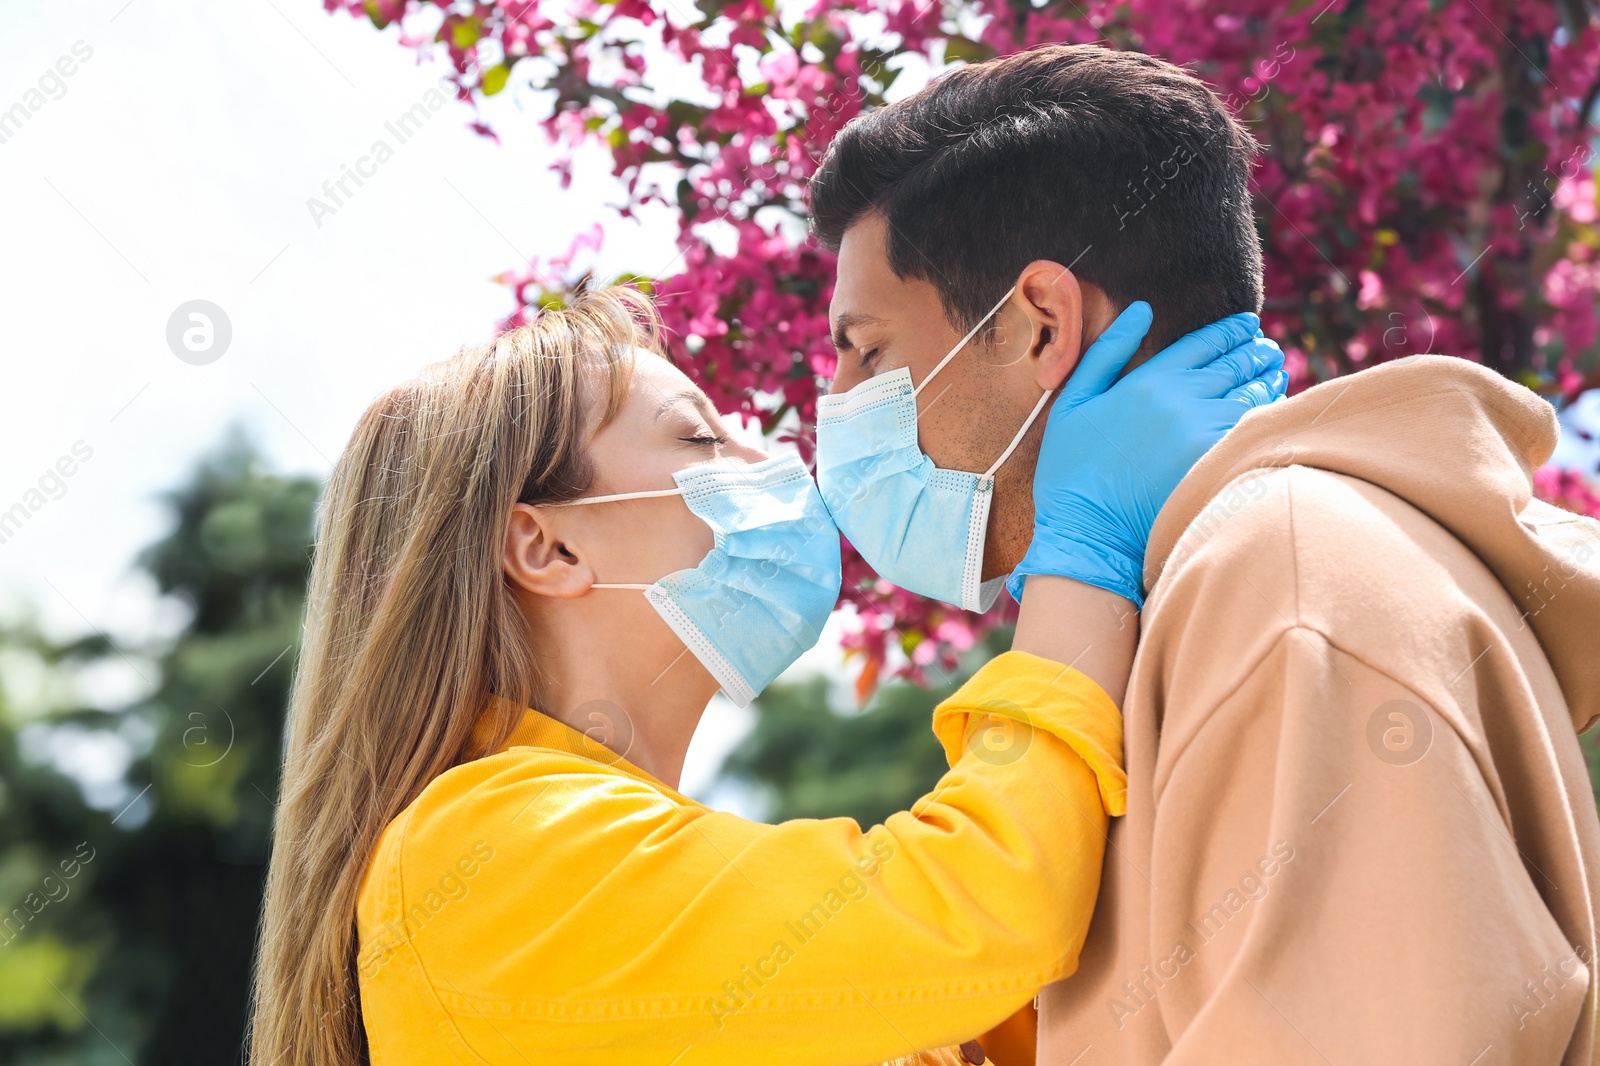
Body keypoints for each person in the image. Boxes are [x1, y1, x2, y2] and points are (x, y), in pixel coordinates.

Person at [246, 285, 1284, 1065]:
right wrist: (1081, 547)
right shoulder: (470, 860)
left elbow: (1000, 995)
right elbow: (983, 911)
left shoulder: (617, 875)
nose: (770, 458)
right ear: (547, 548)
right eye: (700, 436)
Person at [810, 42, 1600, 1064]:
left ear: (1037, 325)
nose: (836, 407)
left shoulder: (1282, 575)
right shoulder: (1192, 599)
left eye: (865, 349)